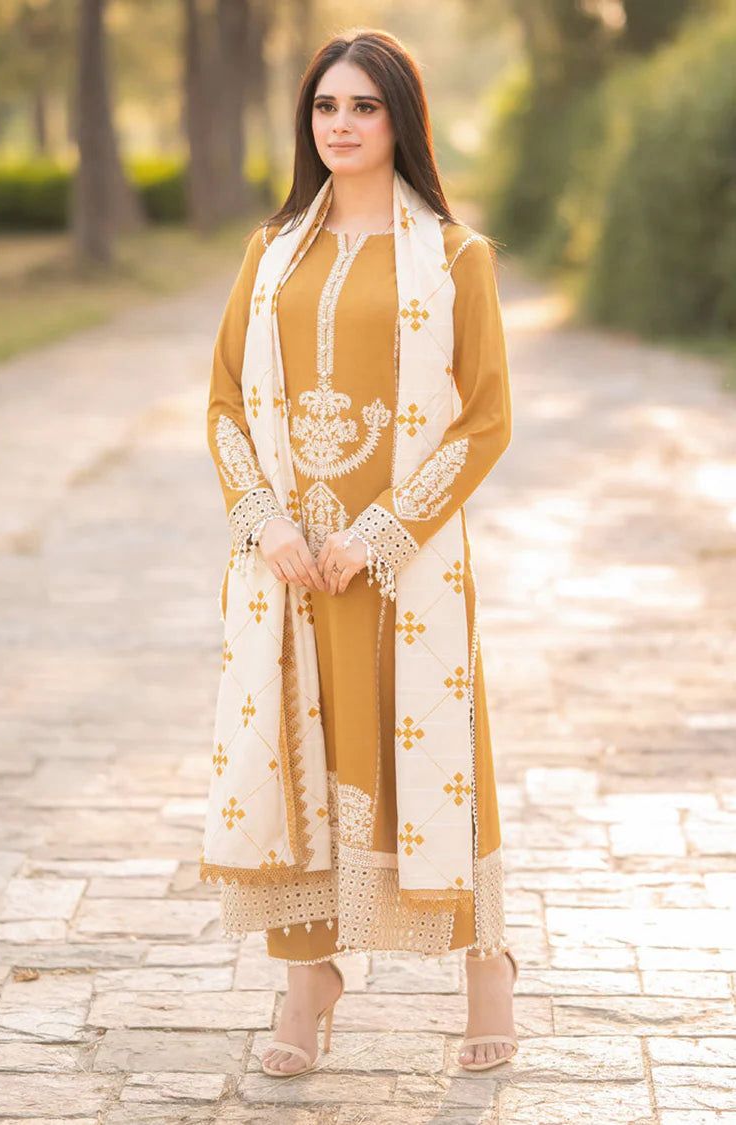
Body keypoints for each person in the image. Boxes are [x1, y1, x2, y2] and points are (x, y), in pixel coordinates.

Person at [199, 27, 517, 1077]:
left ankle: (486, 968)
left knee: (442, 756)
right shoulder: (272, 251)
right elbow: (225, 407)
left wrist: (384, 532)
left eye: (363, 107)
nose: (341, 125)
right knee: (302, 770)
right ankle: (308, 982)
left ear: (400, 122)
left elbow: (484, 420)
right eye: (326, 107)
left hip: (406, 570)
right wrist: (268, 521)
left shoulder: (458, 259)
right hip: (291, 569)